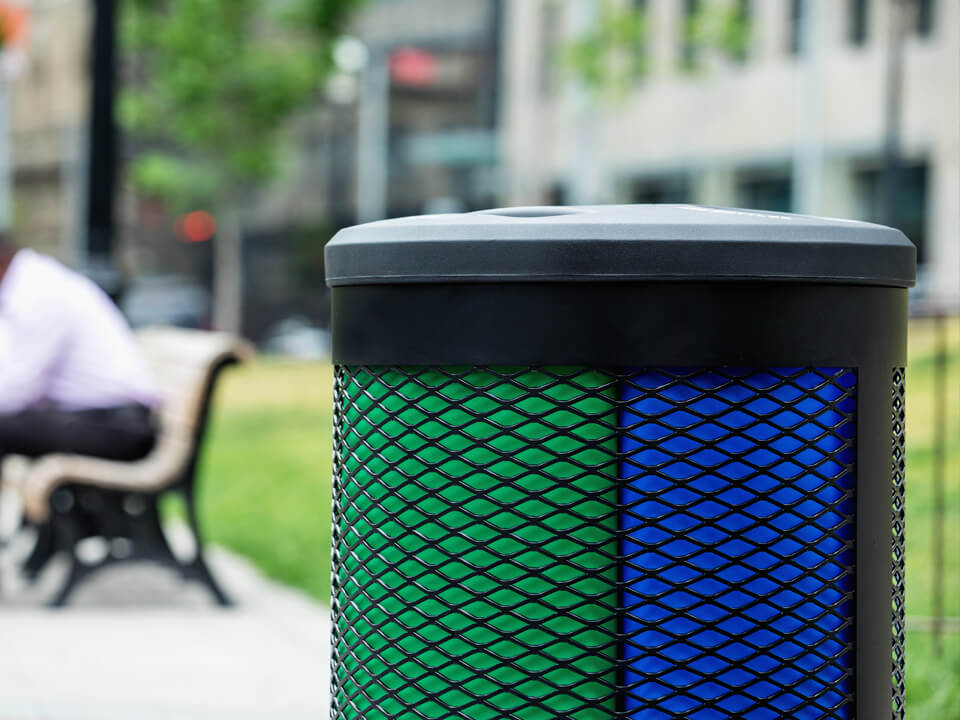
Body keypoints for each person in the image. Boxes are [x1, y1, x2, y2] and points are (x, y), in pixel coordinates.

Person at [0, 232, 160, 466]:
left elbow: (17, 392)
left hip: (117, 425)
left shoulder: (39, 293)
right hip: (96, 417)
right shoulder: (26, 287)